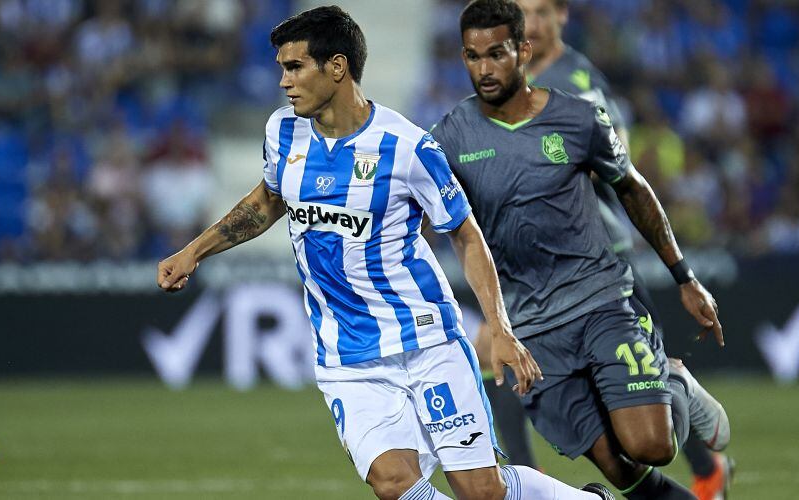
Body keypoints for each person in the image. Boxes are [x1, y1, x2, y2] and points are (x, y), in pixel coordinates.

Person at [157, 6, 612, 500]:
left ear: (336, 67)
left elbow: (465, 233)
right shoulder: (283, 132)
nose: (284, 82)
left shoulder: (407, 146)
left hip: (426, 342)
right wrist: (194, 251)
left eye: (295, 67)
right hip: (347, 356)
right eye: (281, 69)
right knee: (394, 484)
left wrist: (499, 328)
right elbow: (269, 199)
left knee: (482, 491)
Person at [430, 1, 730, 499]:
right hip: (531, 327)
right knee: (622, 470)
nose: (484, 69)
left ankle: (673, 378)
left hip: (601, 302)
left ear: (523, 51)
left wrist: (684, 276)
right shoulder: (449, 138)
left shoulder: (576, 115)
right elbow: (421, 214)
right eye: (472, 56)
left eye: (497, 54)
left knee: (651, 447)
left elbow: (633, 188)